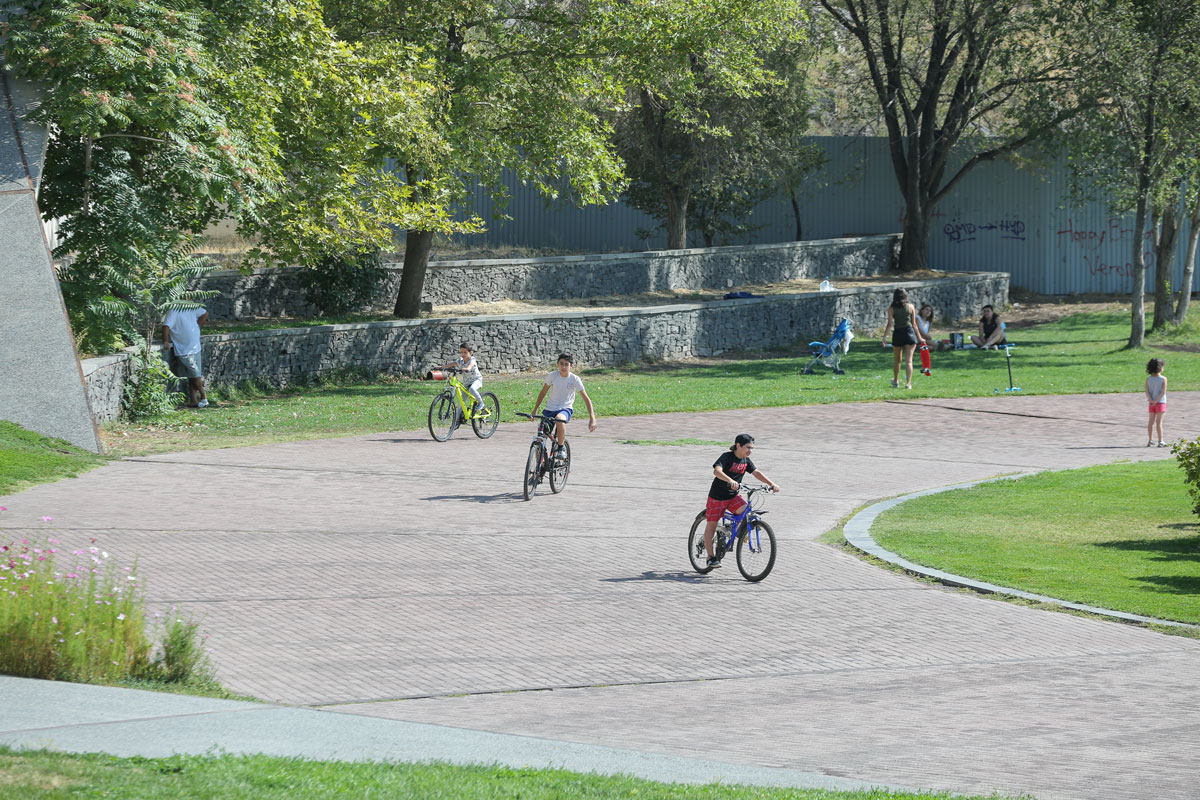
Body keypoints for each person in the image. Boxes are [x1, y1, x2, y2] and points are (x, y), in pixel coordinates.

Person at [704, 434, 780, 569]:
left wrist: (772, 484)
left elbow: (756, 473)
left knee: (746, 511)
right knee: (711, 525)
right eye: (747, 447)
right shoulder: (727, 457)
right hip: (717, 496)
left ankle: (733, 530)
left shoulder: (746, 460)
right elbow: (717, 471)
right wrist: (730, 480)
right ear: (738, 445)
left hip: (733, 496)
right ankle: (711, 557)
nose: (750, 451)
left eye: (752, 448)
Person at [531, 353, 597, 458]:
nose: (564, 367)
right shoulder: (552, 376)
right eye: (561, 364)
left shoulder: (575, 379)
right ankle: (540, 467)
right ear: (557, 364)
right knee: (540, 439)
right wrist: (535, 409)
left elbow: (586, 399)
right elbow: (543, 392)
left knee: (559, 418)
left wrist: (592, 418)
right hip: (549, 409)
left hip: (565, 409)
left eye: (566, 364)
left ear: (571, 366)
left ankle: (561, 448)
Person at [161, 305, 209, 408]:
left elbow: (204, 313)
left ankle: (194, 400)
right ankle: (203, 397)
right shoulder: (174, 310)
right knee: (194, 373)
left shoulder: (191, 307)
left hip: (195, 346)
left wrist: (197, 327)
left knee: (193, 374)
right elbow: (166, 326)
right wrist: (165, 341)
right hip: (184, 349)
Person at [880, 288, 924, 389]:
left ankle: (895, 382)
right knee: (909, 361)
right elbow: (914, 325)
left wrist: (884, 337)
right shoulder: (911, 307)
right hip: (910, 334)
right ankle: (908, 384)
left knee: (897, 361)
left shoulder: (891, 308)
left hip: (898, 334)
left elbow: (890, 324)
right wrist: (920, 338)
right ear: (905, 296)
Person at [443, 342, 484, 414]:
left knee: (472, 389)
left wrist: (467, 369)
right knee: (462, 402)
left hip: (476, 380)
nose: (463, 354)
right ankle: (457, 420)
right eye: (461, 352)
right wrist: (442, 367)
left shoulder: (472, 359)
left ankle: (481, 403)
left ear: (470, 353)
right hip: (466, 383)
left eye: (465, 352)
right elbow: (452, 363)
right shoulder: (460, 360)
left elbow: (471, 365)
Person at [1146, 358, 1167, 447]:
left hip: (1151, 403)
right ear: (1160, 367)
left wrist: (1151, 400)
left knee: (1151, 422)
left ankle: (1150, 440)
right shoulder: (1163, 379)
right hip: (1161, 403)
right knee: (1159, 422)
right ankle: (1161, 441)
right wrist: (1157, 401)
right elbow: (1163, 392)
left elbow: (1147, 391)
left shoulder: (1148, 379)